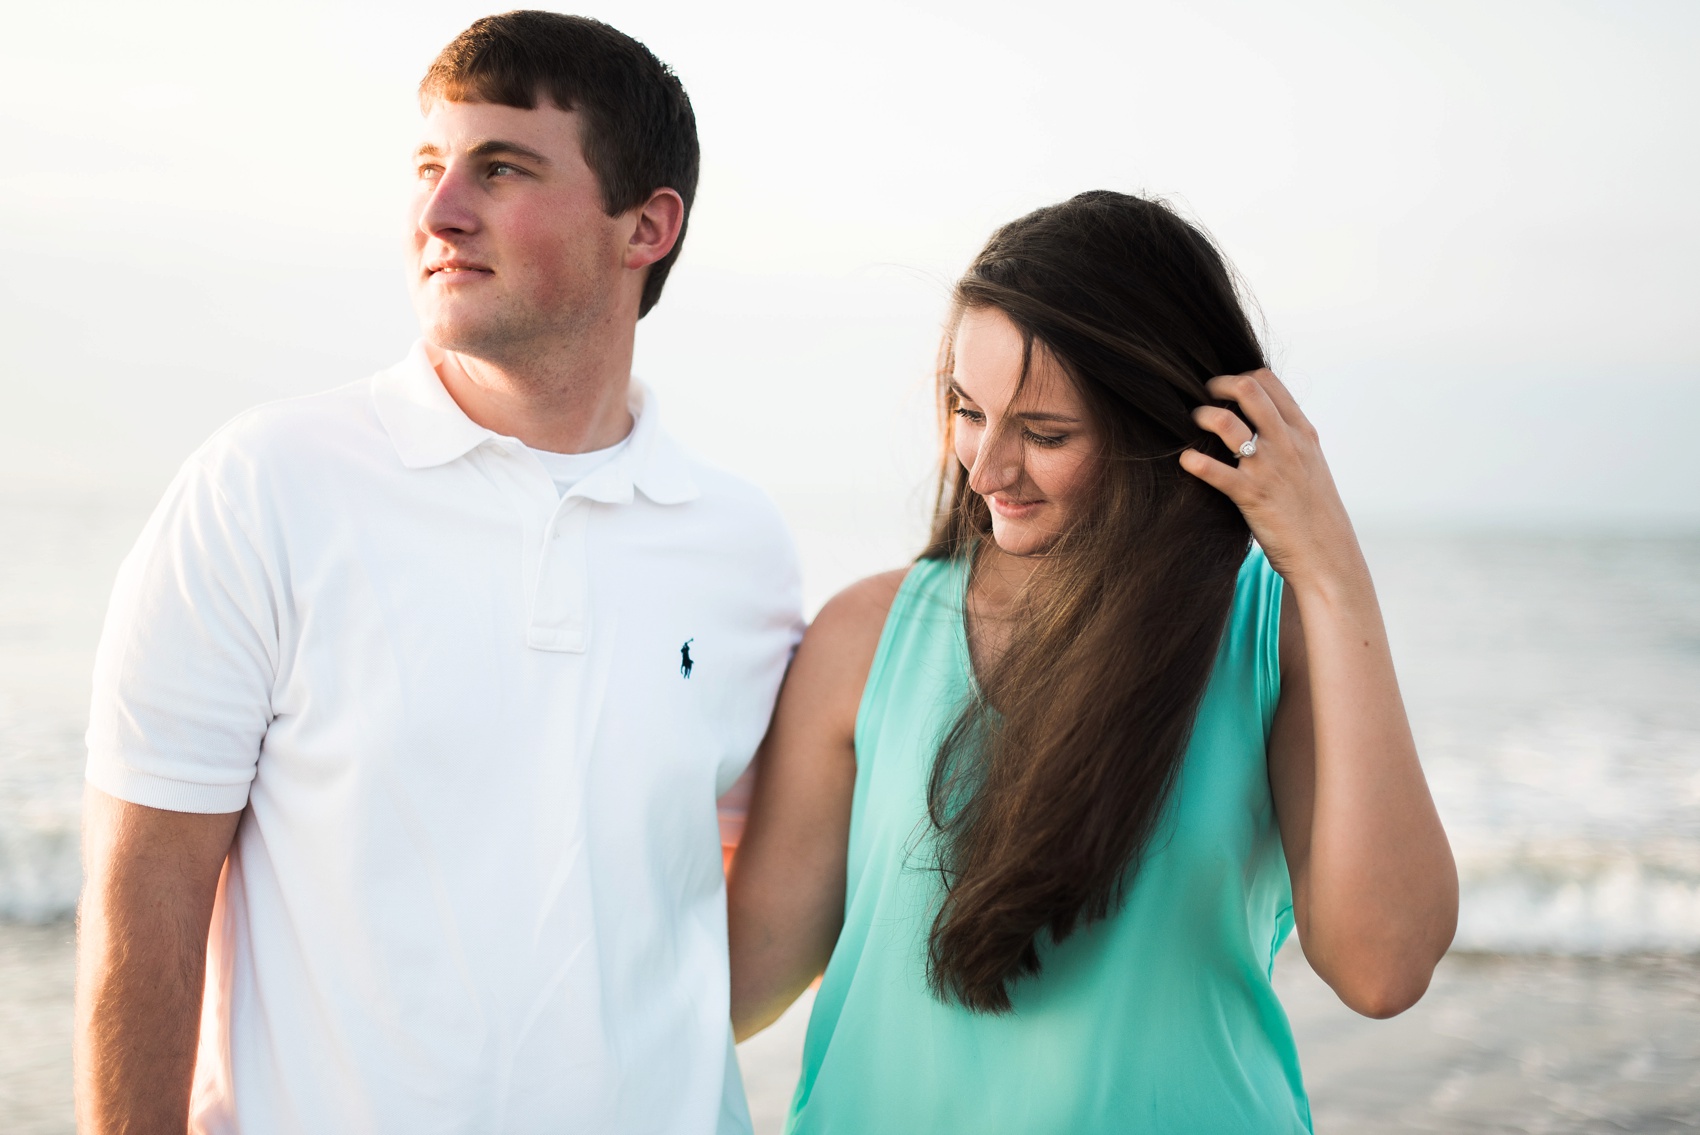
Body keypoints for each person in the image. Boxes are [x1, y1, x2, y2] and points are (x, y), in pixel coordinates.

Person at [76, 12, 800, 1133]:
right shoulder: (264, 486)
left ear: (646, 225)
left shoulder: (740, 546)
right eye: (427, 167)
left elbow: (746, 905)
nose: (437, 209)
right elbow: (144, 900)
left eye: (499, 168)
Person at [727, 191, 1458, 1132]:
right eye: (967, 410)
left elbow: (1384, 967)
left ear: (1166, 427)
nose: (986, 469)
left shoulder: (1275, 635)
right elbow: (741, 982)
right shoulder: (866, 636)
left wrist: (1332, 572)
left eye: (1045, 433)